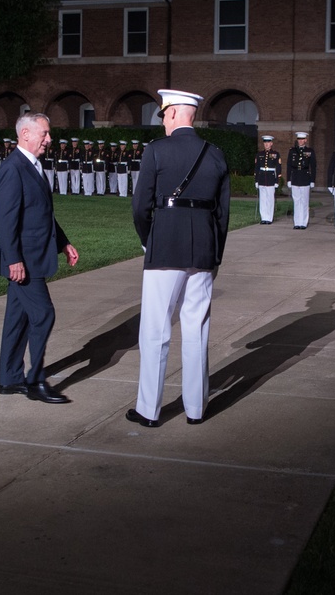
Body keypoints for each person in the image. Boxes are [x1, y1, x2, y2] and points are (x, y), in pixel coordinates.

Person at [130, 89, 230, 427]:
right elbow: (222, 214)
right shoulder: (215, 154)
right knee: (196, 330)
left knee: (155, 330)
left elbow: (140, 206)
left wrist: (150, 241)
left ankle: (148, 409)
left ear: (172, 114)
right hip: (202, 248)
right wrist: (215, 254)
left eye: (164, 115)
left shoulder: (157, 150)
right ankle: (196, 409)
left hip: (165, 247)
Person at [0, 111, 79, 404]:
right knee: (43, 315)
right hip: (24, 262)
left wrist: (64, 243)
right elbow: (4, 220)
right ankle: (35, 381)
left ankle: (10, 379)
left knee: (17, 319)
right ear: (25, 134)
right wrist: (13, 259)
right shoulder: (13, 168)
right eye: (44, 133)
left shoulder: (32, 166)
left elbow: (41, 214)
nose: (49, 139)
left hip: (34, 256)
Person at [286, 131, 316, 229]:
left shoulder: (310, 151)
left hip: (305, 177)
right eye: (299, 139)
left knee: (304, 201)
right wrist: (288, 179)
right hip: (295, 177)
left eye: (302, 139)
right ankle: (297, 222)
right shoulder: (293, 151)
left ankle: (303, 222)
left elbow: (313, 166)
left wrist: (312, 180)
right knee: (296, 201)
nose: (300, 141)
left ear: (306, 140)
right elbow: (289, 166)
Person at [253, 135, 281, 224]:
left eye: (268, 142)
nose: (266, 144)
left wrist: (277, 180)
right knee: (263, 199)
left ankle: (269, 218)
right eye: (265, 142)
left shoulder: (276, 154)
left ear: (271, 143)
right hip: (261, 178)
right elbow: (257, 168)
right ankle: (263, 217)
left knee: (270, 199)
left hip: (271, 178)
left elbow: (278, 168)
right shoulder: (259, 154)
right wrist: (256, 180)